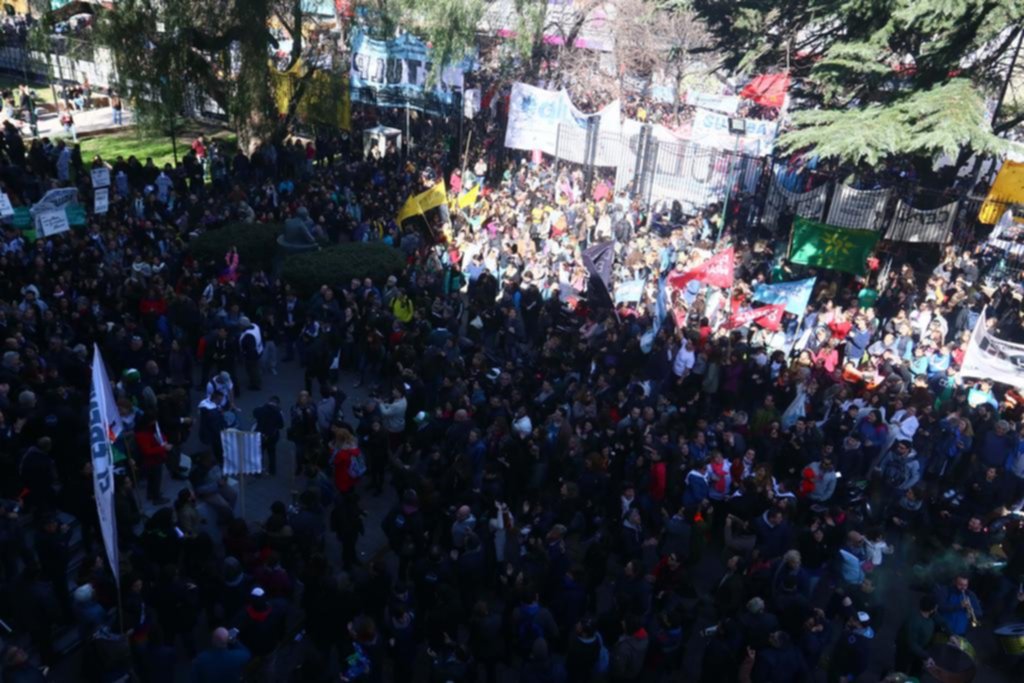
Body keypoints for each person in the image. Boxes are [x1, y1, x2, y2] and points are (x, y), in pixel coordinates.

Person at [895, 596, 943, 677]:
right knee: (900, 673)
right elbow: (912, 643)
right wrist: (926, 656)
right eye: (936, 607)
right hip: (905, 652)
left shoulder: (931, 617)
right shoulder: (914, 621)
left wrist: (951, 635)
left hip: (919, 653)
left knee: (915, 674)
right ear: (932, 609)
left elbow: (942, 622)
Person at [253, 396, 285, 476]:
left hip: (260, 435)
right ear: (277, 403)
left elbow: (254, 414)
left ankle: (258, 471)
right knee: (271, 453)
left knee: (259, 453)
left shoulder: (260, 409)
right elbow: (281, 425)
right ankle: (272, 470)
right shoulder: (278, 412)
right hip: (272, 436)